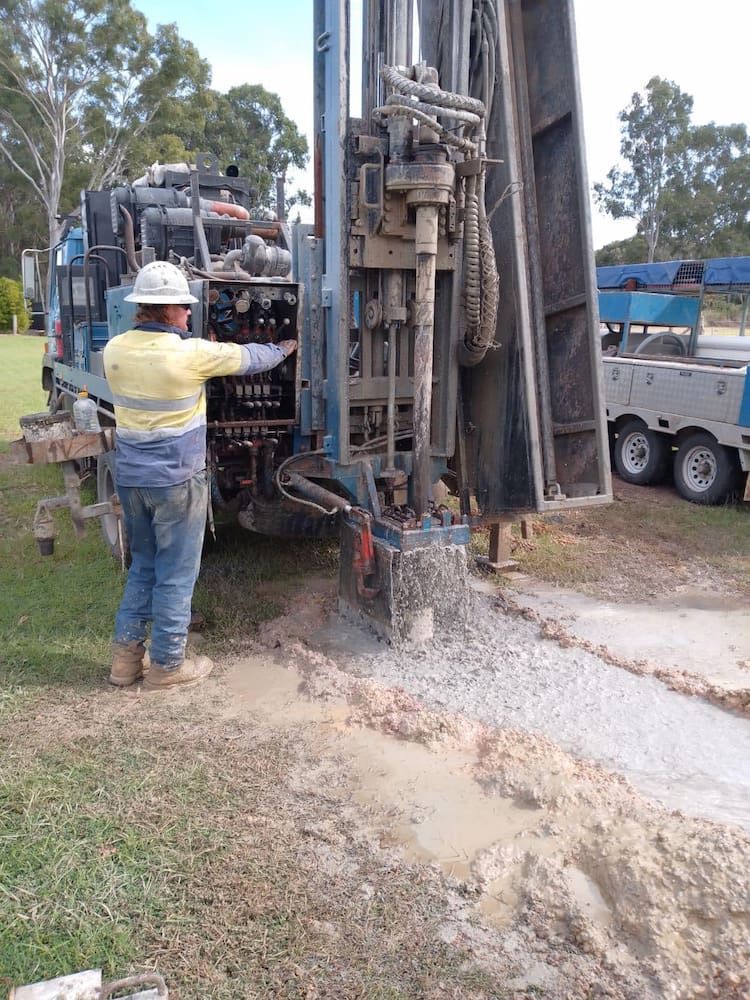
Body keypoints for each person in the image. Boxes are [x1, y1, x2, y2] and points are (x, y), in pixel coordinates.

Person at [103, 260, 297, 691]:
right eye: (184, 309)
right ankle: (169, 665)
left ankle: (125, 662)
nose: (190, 314)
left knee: (145, 566)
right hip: (176, 481)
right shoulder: (190, 353)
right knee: (176, 571)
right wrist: (285, 347)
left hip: (132, 478)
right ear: (168, 309)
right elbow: (252, 358)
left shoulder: (114, 350)